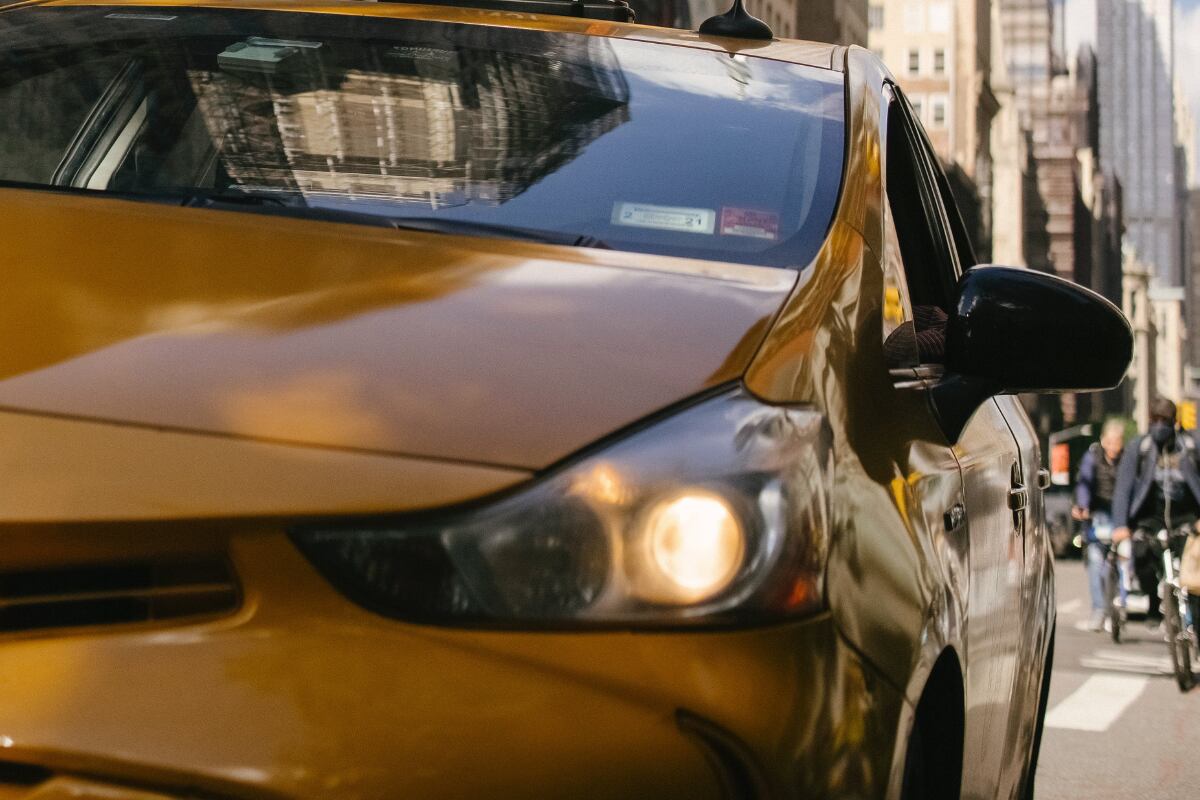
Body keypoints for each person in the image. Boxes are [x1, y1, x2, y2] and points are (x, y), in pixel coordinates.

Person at [1112, 397, 1200, 623]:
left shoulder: (1190, 447)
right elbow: (1123, 487)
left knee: (1194, 573)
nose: (1160, 426)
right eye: (1155, 420)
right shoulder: (1139, 448)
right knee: (1141, 556)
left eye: (1165, 421)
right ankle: (1153, 599)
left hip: (1186, 516)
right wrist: (1121, 525)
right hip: (1150, 517)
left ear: (1175, 422)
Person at [1073, 420, 1126, 631]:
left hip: (1121, 516)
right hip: (1098, 515)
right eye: (1110, 442)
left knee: (1123, 563)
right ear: (1103, 441)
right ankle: (1099, 610)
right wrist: (1082, 506)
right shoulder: (1092, 457)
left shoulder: (1126, 460)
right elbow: (1084, 484)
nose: (1113, 447)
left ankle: (1119, 607)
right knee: (1095, 562)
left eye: (1117, 442)